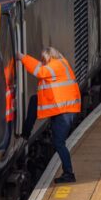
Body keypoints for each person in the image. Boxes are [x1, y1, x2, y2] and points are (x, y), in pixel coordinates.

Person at [17, 46, 81, 184]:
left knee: (59, 143)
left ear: (48, 57)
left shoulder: (56, 66)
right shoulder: (59, 63)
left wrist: (22, 57)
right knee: (35, 100)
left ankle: (69, 173)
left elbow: (40, 71)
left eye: (43, 59)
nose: (42, 62)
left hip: (65, 111)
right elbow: (41, 67)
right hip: (62, 109)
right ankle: (26, 133)